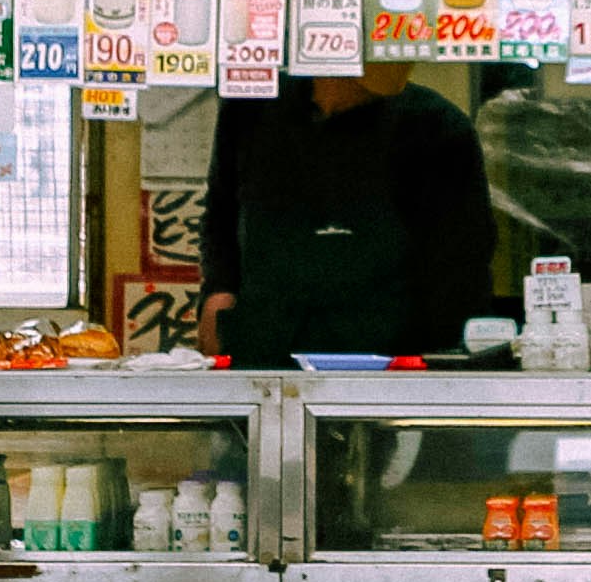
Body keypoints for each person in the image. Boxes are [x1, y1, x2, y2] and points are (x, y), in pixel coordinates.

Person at [200, 58, 495, 365]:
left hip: (384, 363)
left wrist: (444, 370)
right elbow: (221, 214)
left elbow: (464, 267)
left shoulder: (438, 128)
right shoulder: (251, 108)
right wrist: (217, 290)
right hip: (265, 350)